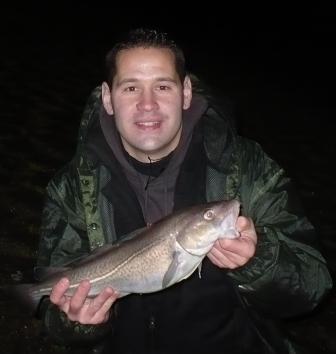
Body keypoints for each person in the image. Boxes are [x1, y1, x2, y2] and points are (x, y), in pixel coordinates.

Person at [36, 28, 332, 354]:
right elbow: (54, 319)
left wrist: (257, 261)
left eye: (162, 86)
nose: (147, 104)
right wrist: (76, 322)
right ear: (107, 97)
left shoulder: (247, 167)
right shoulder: (72, 186)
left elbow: (312, 286)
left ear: (186, 92)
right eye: (131, 87)